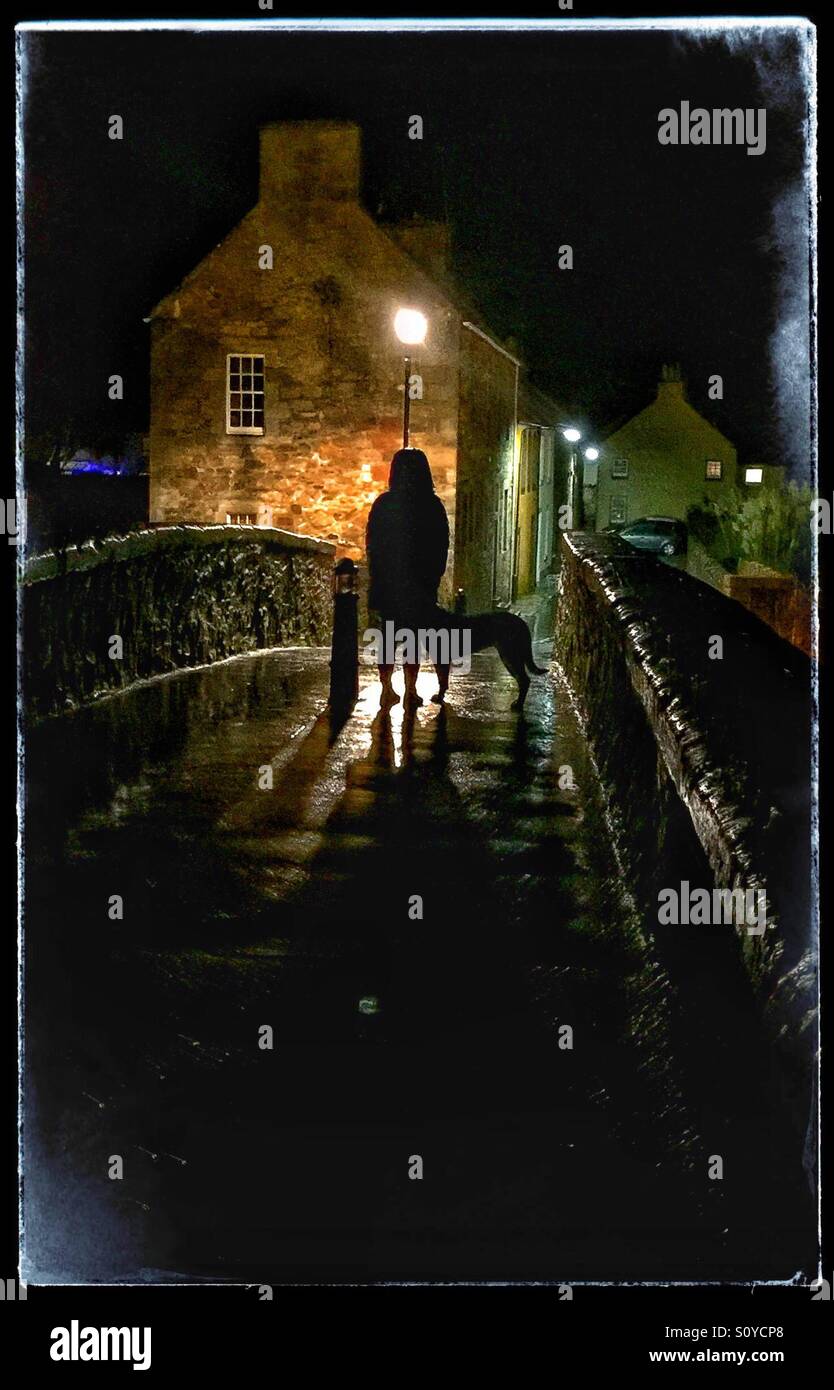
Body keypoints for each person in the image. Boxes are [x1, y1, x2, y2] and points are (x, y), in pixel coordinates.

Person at [365, 447, 450, 710]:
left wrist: (377, 577)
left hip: (390, 584)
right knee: (413, 638)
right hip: (419, 585)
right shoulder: (433, 506)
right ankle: (411, 689)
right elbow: (441, 546)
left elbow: (373, 545)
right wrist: (432, 579)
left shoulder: (383, 504)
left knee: (388, 636)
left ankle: (386, 688)